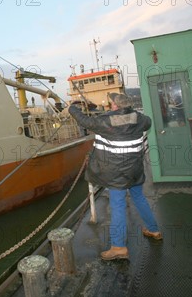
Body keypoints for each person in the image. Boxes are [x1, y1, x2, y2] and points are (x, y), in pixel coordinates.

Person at [68, 92, 162, 261]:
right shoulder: (141, 119)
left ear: (116, 106)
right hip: (134, 170)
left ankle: (118, 247)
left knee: (117, 206)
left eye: (112, 103)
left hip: (116, 173)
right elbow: (147, 122)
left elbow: (83, 120)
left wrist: (72, 108)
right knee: (139, 198)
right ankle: (154, 229)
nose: (110, 104)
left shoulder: (105, 121)